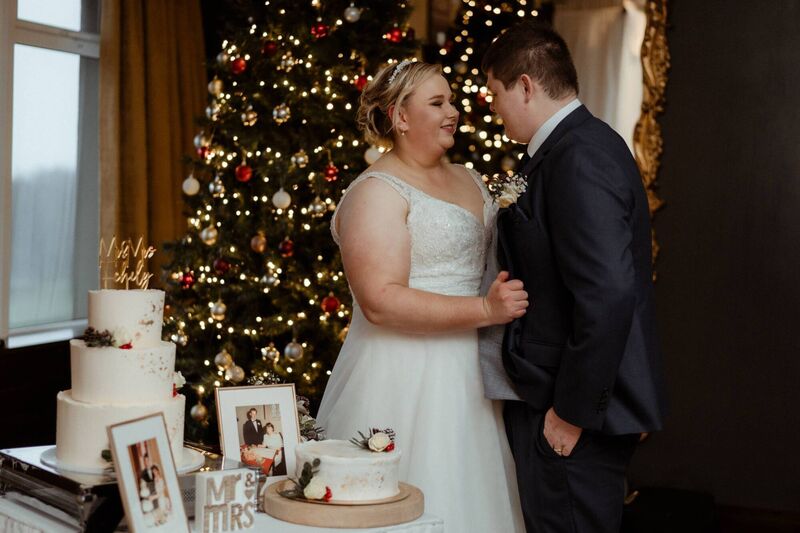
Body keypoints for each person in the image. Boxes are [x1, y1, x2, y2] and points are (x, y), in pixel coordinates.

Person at [316, 60, 526, 532]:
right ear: (400, 117)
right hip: (402, 374)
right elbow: (380, 301)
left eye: (451, 100)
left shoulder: (471, 178)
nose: (453, 111)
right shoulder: (375, 192)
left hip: (474, 375)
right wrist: (486, 310)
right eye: (437, 103)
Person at [479, 21, 668, 532]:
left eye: (494, 92)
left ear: (524, 85)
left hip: (569, 410)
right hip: (556, 398)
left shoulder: (579, 156)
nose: (492, 107)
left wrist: (571, 412)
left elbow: (607, 294)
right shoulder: (571, 147)